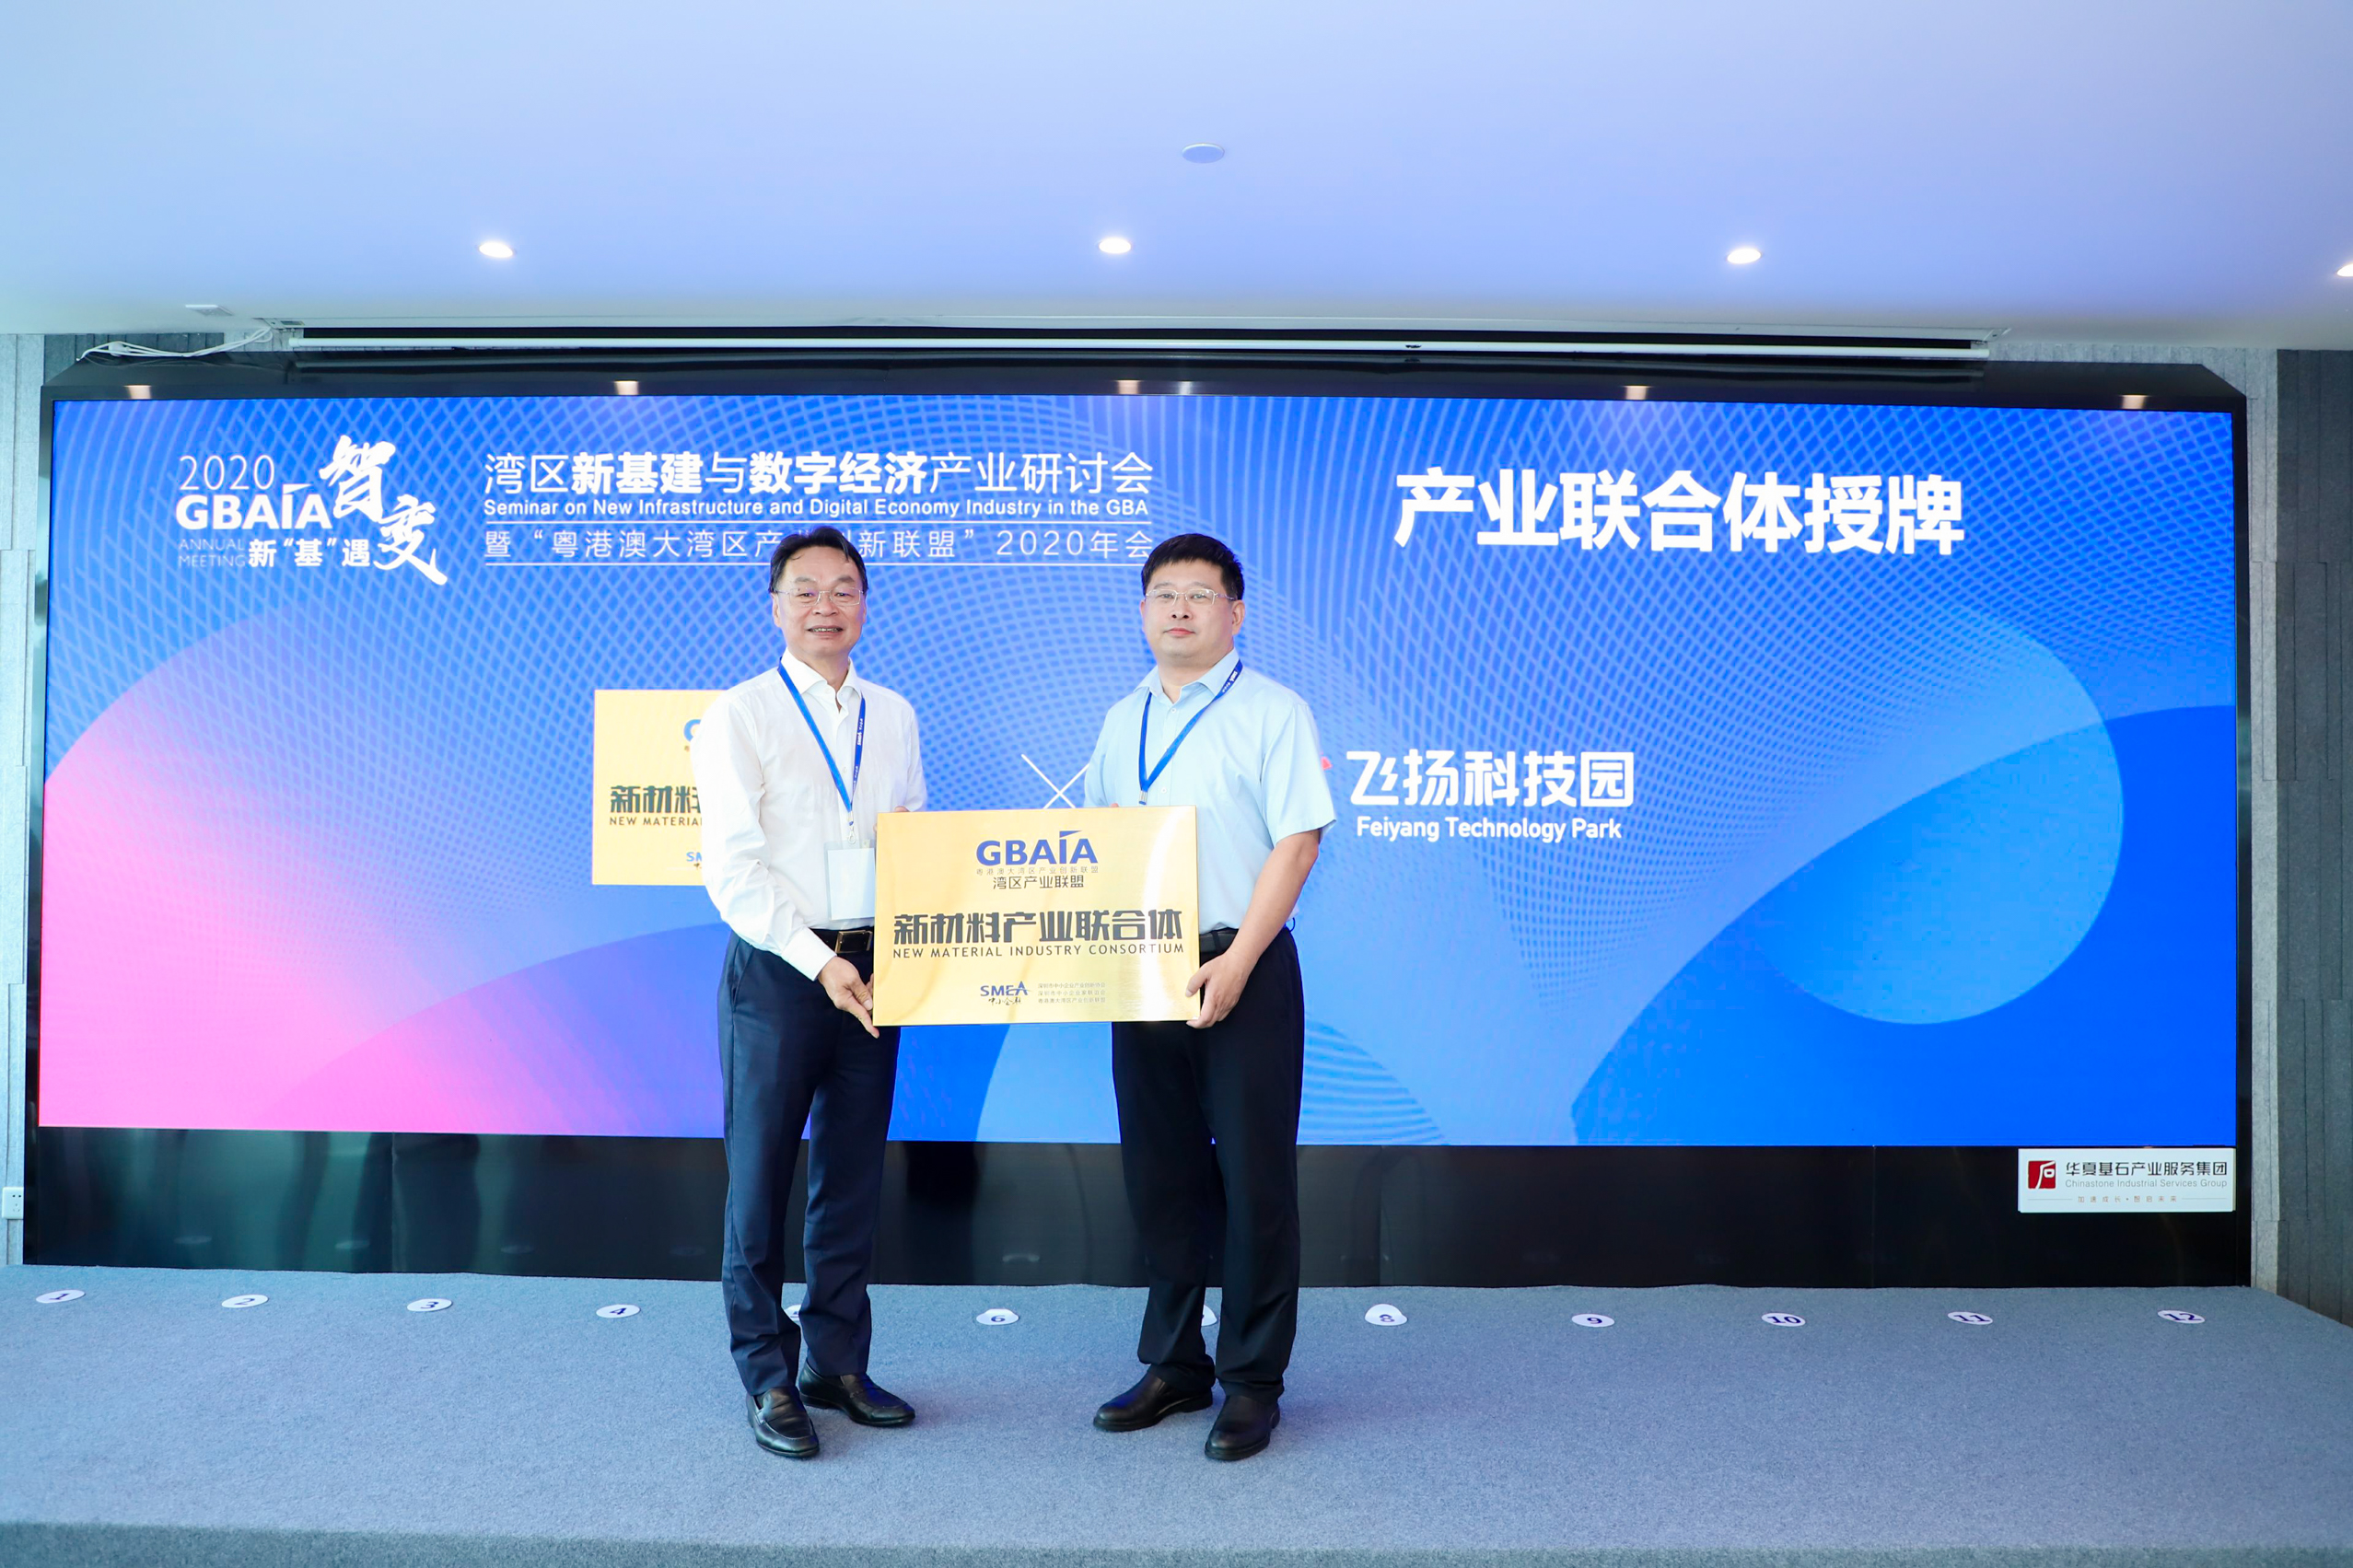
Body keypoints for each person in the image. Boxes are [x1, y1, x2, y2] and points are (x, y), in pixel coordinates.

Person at [1081, 532, 1335, 1462]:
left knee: (1255, 1179)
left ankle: (1253, 1380)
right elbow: (1099, 841)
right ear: (1142, 612)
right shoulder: (1123, 719)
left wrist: (1238, 962)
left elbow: (1297, 843)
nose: (1178, 608)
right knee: (1162, 1173)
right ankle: (1175, 1362)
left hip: (1243, 961)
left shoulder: (1273, 710)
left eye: (1198, 593)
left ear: (1235, 612)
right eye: (1162, 593)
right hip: (1141, 964)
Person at [690, 525, 925, 1460]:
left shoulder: (893, 713)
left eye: (843, 589)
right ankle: (766, 1375)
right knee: (759, 1182)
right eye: (805, 590)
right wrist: (816, 959)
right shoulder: (738, 714)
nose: (825, 606)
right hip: (781, 968)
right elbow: (733, 868)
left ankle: (836, 1361)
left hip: (877, 965)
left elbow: (911, 836)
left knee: (851, 1177)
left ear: (865, 603)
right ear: (775, 606)